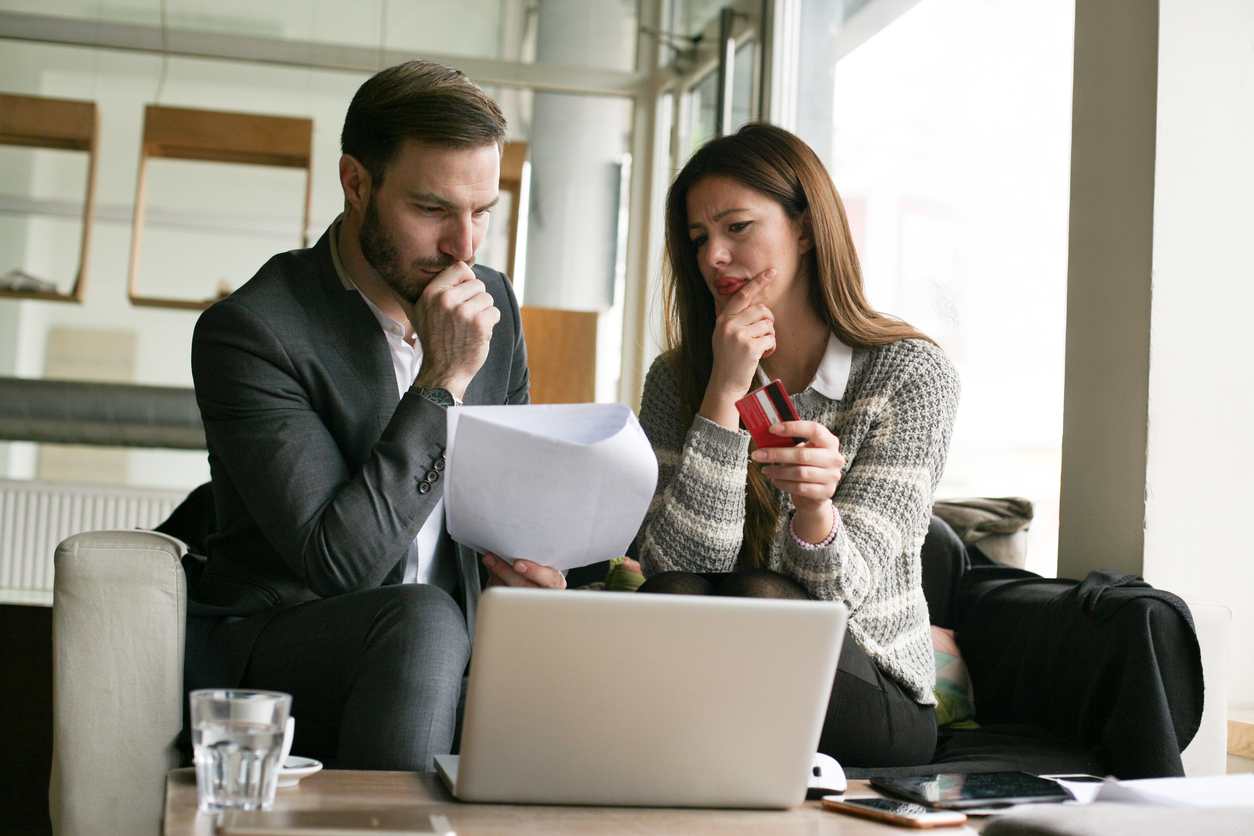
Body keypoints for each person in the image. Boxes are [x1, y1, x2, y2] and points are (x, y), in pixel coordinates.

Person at [187, 60, 564, 772]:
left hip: (456, 648)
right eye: (432, 210)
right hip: (291, 652)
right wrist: (443, 380)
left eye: (481, 211)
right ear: (356, 183)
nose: (465, 247)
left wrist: (545, 570)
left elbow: (512, 496)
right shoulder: (254, 332)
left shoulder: (495, 305)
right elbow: (342, 565)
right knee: (423, 621)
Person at [631, 122, 960, 767]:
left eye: (737, 228)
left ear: (805, 231)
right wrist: (724, 391)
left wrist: (815, 516)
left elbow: (846, 594)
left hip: (867, 682)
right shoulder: (677, 380)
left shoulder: (908, 375)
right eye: (699, 240)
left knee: (761, 602)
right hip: (725, 662)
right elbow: (676, 569)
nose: (714, 258)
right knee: (678, 600)